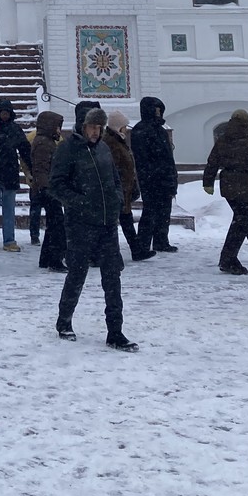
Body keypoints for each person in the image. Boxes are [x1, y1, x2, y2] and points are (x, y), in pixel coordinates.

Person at [49, 107, 138, 351]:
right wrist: (80, 202)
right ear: (82, 126)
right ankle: (64, 321)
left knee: (113, 278)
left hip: (107, 223)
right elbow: (56, 185)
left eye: (99, 128)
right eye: (92, 127)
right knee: (77, 274)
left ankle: (115, 331)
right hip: (80, 224)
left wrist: (117, 197)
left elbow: (114, 178)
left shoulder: (103, 148)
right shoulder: (67, 150)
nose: (96, 132)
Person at [202, 109, 248, 275]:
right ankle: (227, 260)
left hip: (228, 186)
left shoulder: (222, 140)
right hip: (247, 187)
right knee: (242, 223)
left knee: (247, 223)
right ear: (247, 124)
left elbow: (212, 162)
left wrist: (208, 182)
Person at [131, 96, 180, 255]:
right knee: (150, 212)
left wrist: (171, 176)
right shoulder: (141, 130)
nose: (158, 113)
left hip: (164, 177)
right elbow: (143, 157)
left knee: (165, 211)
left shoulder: (160, 130)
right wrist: (154, 174)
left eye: (160, 110)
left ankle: (161, 241)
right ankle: (143, 243)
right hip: (151, 178)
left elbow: (167, 156)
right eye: (156, 109)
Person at [104, 111, 152, 262]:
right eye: (124, 126)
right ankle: (122, 252)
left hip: (124, 189)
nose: (126, 129)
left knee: (126, 221)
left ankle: (136, 250)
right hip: (118, 190)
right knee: (117, 223)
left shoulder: (118, 141)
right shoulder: (112, 143)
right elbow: (114, 167)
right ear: (118, 127)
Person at [0, 98, 32, 251]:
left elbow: (25, 149)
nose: (4, 115)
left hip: (10, 173)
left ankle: (9, 240)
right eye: (2, 112)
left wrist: (32, 167)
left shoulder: (15, 129)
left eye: (7, 113)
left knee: (9, 207)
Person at [29, 111, 67, 271]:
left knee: (53, 225)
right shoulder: (44, 143)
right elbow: (41, 169)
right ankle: (55, 260)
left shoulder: (45, 141)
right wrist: (47, 189)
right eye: (58, 127)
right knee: (58, 225)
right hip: (47, 190)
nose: (59, 131)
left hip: (45, 189)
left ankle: (46, 258)